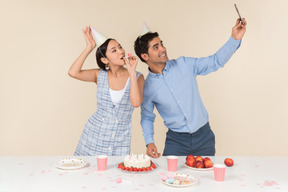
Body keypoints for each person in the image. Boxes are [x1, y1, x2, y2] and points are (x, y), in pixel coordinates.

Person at [134, 19, 247, 158]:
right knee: (169, 178)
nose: (163, 49)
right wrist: (149, 142)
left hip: (204, 137)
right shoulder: (148, 88)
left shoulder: (184, 64)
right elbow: (146, 116)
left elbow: (215, 61)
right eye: (156, 47)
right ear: (145, 56)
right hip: (176, 142)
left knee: (205, 177)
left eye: (161, 44)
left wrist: (234, 39)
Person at [69, 26, 144, 156]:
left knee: (114, 173)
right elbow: (73, 72)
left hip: (120, 139)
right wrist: (89, 47)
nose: (121, 52)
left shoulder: (137, 77)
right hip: (93, 135)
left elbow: (136, 103)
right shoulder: (99, 75)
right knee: (86, 171)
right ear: (105, 60)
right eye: (114, 50)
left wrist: (131, 72)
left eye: (120, 47)